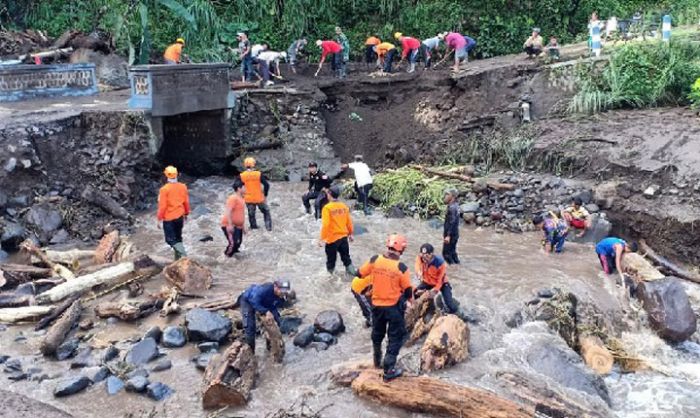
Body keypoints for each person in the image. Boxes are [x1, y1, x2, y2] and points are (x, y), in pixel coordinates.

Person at [357, 234, 413, 381]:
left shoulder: (375, 259)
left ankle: (377, 360)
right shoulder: (401, 268)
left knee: (377, 333)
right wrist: (409, 303)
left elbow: (360, 273)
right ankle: (389, 370)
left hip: (376, 305)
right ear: (401, 249)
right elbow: (407, 291)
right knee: (396, 337)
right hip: (393, 308)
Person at [238, 280, 291, 350]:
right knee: (249, 327)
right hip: (248, 300)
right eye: (281, 290)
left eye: (285, 291)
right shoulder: (265, 290)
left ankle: (270, 345)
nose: (283, 293)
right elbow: (253, 300)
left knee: (276, 322)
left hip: (265, 303)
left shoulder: (282, 296)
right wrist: (266, 312)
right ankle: (250, 351)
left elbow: (275, 306)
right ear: (275, 287)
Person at [319, 185, 357, 275]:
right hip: (343, 238)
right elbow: (349, 222)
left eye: (327, 193)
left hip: (332, 239)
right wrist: (350, 234)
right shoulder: (344, 206)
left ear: (330, 194)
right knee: (347, 259)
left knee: (331, 261)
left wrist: (322, 239)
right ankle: (354, 276)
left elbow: (326, 225)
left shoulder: (327, 208)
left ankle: (330, 280)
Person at [414, 243, 460, 314]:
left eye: (426, 255)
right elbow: (417, 265)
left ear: (431, 254)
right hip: (427, 282)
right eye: (422, 255)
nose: (424, 258)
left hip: (442, 283)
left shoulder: (440, 263)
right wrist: (418, 273)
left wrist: (434, 291)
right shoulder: (420, 258)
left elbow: (440, 281)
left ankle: (457, 313)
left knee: (450, 305)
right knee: (414, 294)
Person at [157, 166, 190, 260]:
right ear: (177, 175)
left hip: (169, 218)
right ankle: (178, 260)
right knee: (178, 238)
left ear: (166, 176)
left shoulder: (164, 189)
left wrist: (159, 219)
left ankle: (183, 254)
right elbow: (186, 202)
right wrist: (186, 213)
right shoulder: (183, 186)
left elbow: (162, 206)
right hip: (180, 216)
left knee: (170, 240)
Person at [239, 157, 272, 231]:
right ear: (253, 165)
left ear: (245, 165)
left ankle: (254, 228)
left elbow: (236, 186)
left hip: (248, 199)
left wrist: (241, 195)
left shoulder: (242, 175)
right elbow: (267, 185)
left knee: (251, 214)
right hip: (259, 197)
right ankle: (268, 227)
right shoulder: (258, 174)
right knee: (266, 212)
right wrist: (265, 194)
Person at [221, 180, 246, 257]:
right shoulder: (233, 198)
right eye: (244, 187)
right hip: (229, 224)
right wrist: (230, 225)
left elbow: (241, 214)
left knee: (238, 242)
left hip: (238, 225)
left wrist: (243, 227)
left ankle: (234, 259)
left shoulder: (241, 198)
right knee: (233, 243)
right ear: (239, 188)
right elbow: (228, 211)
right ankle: (226, 257)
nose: (245, 189)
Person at [442, 188, 460, 264]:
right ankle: (457, 266)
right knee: (452, 253)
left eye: (447, 194)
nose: (445, 196)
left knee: (446, 254)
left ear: (452, 196)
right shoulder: (455, 206)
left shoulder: (452, 208)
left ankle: (453, 270)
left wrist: (448, 235)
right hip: (455, 233)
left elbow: (452, 222)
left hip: (451, 235)